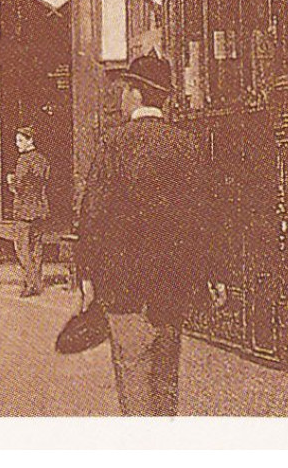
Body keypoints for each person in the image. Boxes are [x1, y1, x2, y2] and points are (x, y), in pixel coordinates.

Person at [77, 51, 224, 416]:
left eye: (126, 89)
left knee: (133, 378)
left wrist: (86, 274)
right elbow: (204, 217)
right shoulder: (187, 144)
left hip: (123, 285)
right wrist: (213, 274)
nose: (123, 97)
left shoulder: (114, 143)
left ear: (136, 94)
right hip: (171, 285)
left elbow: (92, 214)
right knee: (165, 382)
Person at [11, 126, 50, 296]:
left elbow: (18, 186)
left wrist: (11, 183)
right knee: (37, 247)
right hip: (40, 206)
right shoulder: (42, 159)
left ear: (30, 141)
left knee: (22, 247)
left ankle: (31, 282)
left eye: (20, 140)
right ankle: (38, 281)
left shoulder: (23, 160)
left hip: (24, 208)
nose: (17, 144)